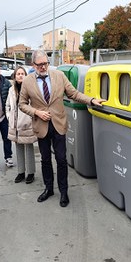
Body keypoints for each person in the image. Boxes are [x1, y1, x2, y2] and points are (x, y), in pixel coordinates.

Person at [19, 50, 106, 207]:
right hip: (41, 125)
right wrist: (36, 112)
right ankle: (48, 189)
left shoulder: (59, 76)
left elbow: (74, 94)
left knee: (61, 159)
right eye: (40, 65)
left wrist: (91, 100)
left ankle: (64, 192)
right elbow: (22, 104)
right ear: (33, 65)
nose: (43, 67)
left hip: (59, 124)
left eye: (45, 63)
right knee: (45, 159)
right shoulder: (27, 81)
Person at [5, 66, 37, 184]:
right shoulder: (11, 90)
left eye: (22, 73)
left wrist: (30, 119)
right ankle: (21, 172)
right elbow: (7, 106)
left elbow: (34, 106)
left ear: (26, 75)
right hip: (14, 125)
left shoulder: (30, 88)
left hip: (27, 123)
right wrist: (9, 117)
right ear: (14, 76)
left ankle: (30, 173)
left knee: (29, 148)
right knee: (18, 148)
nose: (20, 75)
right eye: (18, 74)